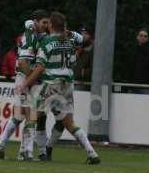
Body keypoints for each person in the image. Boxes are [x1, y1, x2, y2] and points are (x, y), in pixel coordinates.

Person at [16, 12, 100, 165]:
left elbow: (40, 67)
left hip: (51, 84)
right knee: (69, 123)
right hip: (67, 85)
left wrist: (26, 83)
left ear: (51, 25)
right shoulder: (69, 41)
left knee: (32, 115)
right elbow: (80, 43)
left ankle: (27, 152)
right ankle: (92, 153)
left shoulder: (47, 41)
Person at [0, 10, 50, 161]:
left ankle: (2, 146)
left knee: (19, 116)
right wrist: (32, 80)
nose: (47, 25)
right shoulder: (28, 37)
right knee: (30, 115)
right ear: (35, 22)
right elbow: (24, 62)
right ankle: (25, 152)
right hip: (25, 78)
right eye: (44, 22)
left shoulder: (40, 36)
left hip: (28, 78)